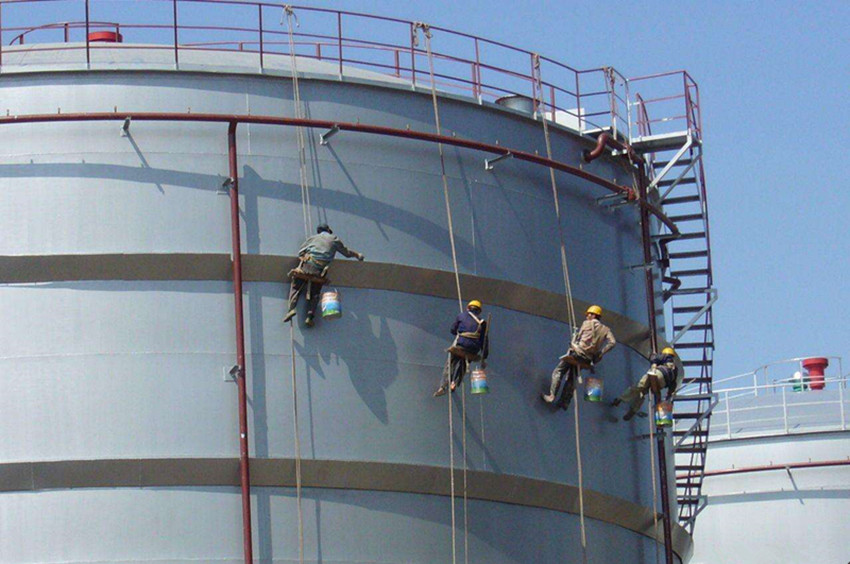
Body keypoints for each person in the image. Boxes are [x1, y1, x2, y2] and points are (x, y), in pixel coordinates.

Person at [284, 224, 364, 327]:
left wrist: (306, 256)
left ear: (319, 231)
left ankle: (291, 309)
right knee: (315, 292)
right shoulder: (334, 239)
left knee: (296, 287)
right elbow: (347, 253)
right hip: (319, 271)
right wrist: (357, 255)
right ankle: (310, 316)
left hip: (307, 266)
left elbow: (300, 253)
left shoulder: (312, 238)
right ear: (328, 230)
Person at [541, 304, 616, 409]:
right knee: (572, 377)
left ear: (593, 315)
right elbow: (612, 342)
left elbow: (578, 338)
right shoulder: (606, 330)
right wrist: (600, 353)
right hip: (587, 359)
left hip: (577, 353)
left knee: (559, 371)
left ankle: (552, 396)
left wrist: (575, 343)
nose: (587, 316)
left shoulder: (586, 323)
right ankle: (565, 402)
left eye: (588, 314)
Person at [434, 300, 489, 397]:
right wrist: (484, 357)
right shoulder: (482, 322)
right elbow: (484, 341)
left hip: (461, 345)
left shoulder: (461, 316)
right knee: (463, 366)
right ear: (479, 311)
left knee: (450, 364)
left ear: (468, 308)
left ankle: (443, 386)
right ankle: (454, 383)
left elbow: (453, 330)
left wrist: (461, 331)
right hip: (473, 349)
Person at [612, 347, 678, 421]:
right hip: (662, 383)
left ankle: (620, 399)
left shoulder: (665, 356)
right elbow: (673, 385)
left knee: (638, 387)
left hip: (658, 373)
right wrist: (668, 395)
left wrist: (653, 358)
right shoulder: (675, 369)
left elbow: (654, 359)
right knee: (642, 393)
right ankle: (633, 410)